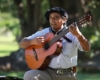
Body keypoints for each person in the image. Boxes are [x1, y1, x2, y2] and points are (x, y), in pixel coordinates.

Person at [19, 7, 90, 80]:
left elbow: (87, 48)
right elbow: (22, 44)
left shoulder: (73, 33)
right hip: (48, 72)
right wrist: (32, 41)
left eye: (56, 17)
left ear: (64, 19)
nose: (52, 20)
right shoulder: (44, 32)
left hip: (67, 74)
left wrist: (78, 35)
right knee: (29, 75)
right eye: (51, 17)